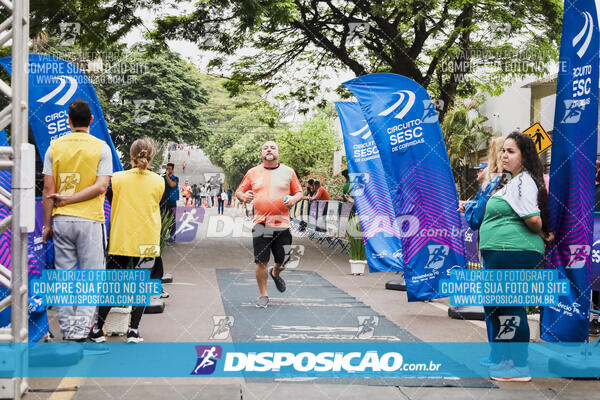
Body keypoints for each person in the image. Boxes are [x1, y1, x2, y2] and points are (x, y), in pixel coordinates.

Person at [479, 131, 554, 382]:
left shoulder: (523, 182)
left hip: (514, 252)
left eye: (511, 151)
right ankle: (504, 359)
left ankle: (518, 366)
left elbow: (533, 218)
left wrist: (542, 229)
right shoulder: (513, 181)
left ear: (524, 156)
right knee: (497, 307)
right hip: (501, 254)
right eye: (503, 151)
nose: (504, 155)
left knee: (510, 306)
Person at [42, 98, 113, 340]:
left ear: (68, 120)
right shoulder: (102, 148)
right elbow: (102, 186)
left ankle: (68, 332)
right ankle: (81, 332)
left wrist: (47, 224)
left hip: (61, 221)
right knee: (91, 277)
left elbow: (47, 190)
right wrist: (72, 201)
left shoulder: (54, 148)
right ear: (91, 120)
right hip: (91, 221)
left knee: (64, 278)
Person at [89, 138, 165, 343]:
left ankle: (97, 329)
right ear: (151, 156)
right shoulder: (159, 181)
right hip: (147, 241)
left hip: (121, 238)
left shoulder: (117, 179)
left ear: (131, 157)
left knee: (112, 285)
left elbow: (112, 199)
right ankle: (133, 330)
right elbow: (157, 201)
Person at [236, 141, 303, 308]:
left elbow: (299, 192)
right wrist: (244, 197)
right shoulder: (252, 172)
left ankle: (276, 272)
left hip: (282, 224)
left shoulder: (288, 172)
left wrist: (293, 199)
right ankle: (263, 295)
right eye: (265, 148)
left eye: (273, 147)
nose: (269, 149)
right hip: (261, 223)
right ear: (261, 154)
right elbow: (239, 191)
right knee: (260, 261)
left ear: (278, 153)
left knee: (284, 260)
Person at [160, 163, 179, 237]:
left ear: (173, 170)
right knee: (161, 219)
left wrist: (167, 176)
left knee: (172, 219)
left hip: (171, 202)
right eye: (167, 168)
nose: (167, 170)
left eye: (169, 169)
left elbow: (171, 184)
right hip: (163, 201)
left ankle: (172, 235)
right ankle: (162, 235)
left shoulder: (175, 178)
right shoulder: (162, 178)